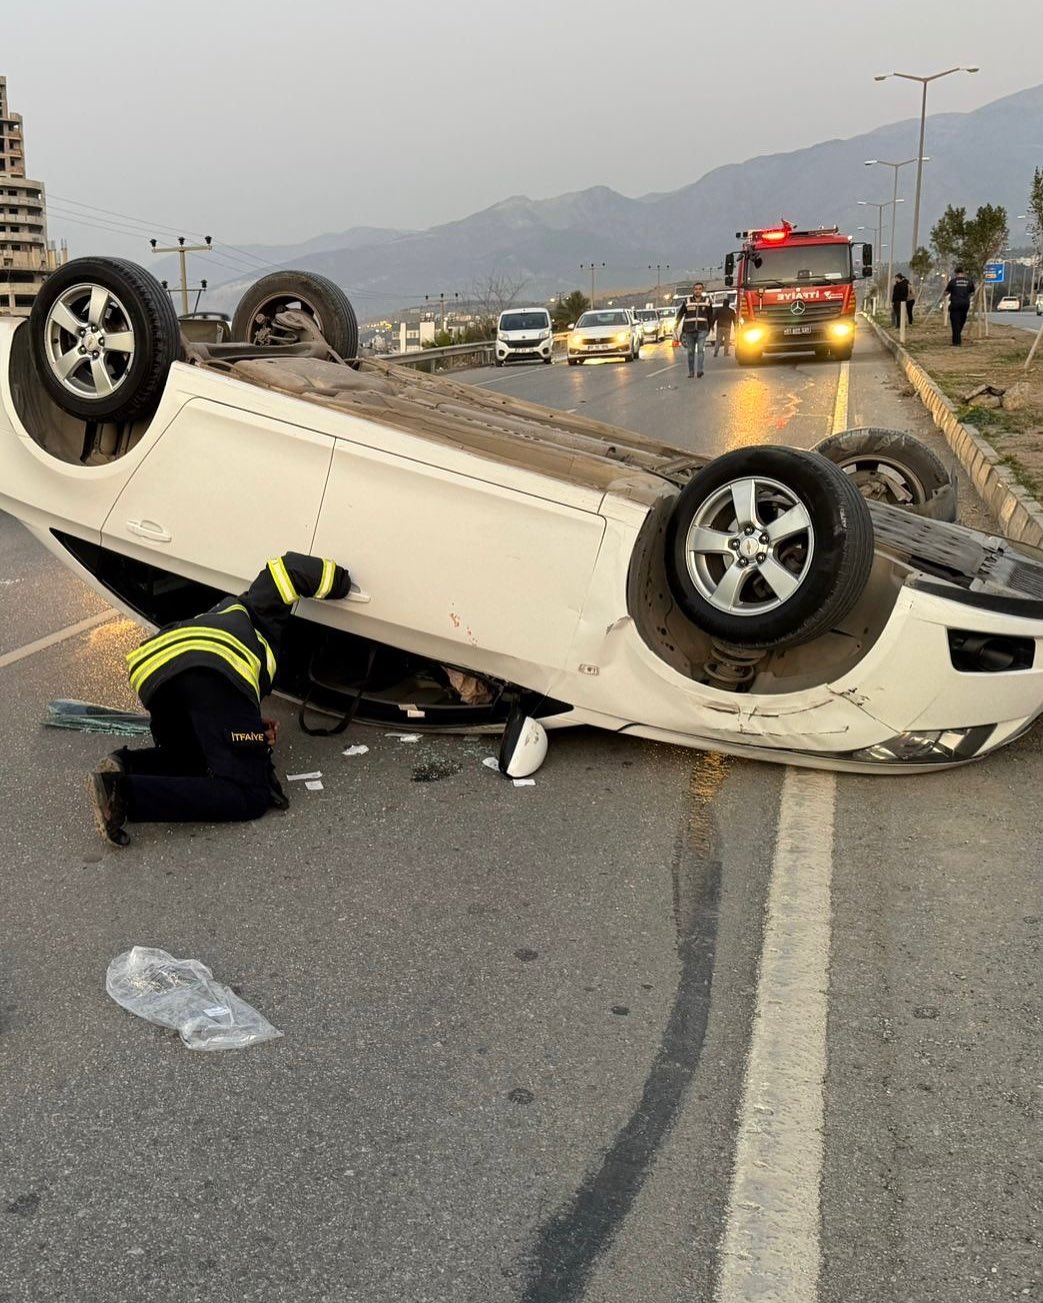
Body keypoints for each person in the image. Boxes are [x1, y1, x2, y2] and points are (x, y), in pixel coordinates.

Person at [87, 552, 352, 847]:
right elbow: (288, 569)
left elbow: (222, 711)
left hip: (156, 672)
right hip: (211, 670)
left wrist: (250, 727)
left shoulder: (228, 613)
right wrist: (345, 584)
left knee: (195, 757)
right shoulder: (261, 609)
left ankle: (123, 764)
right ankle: (124, 796)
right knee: (249, 794)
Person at [674, 282, 715, 377]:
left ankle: (700, 370)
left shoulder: (707, 301)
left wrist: (710, 327)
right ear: (693, 290)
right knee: (691, 352)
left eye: (699, 289)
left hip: (702, 330)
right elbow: (680, 314)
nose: (697, 290)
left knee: (700, 350)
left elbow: (710, 316)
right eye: (696, 289)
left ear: (702, 290)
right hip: (689, 330)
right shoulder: (687, 301)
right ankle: (691, 372)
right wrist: (676, 324)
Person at [943, 266, 975, 346]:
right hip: (965, 303)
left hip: (955, 304)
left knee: (955, 322)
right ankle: (957, 337)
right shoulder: (969, 281)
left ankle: (957, 342)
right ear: (963, 273)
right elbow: (972, 292)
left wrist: (946, 294)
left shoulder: (953, 281)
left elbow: (946, 292)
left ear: (956, 273)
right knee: (962, 320)